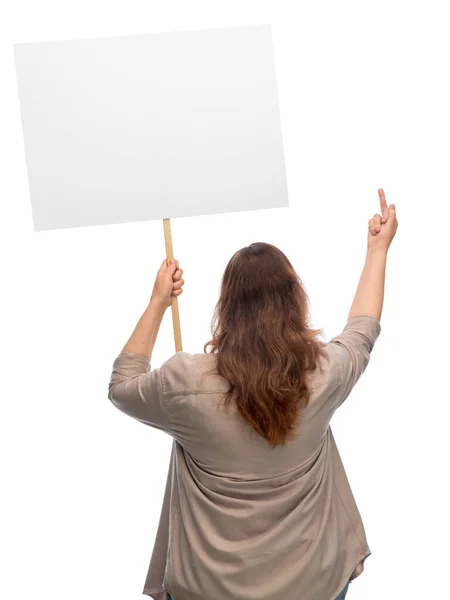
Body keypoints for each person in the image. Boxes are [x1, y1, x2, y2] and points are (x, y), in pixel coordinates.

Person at [108, 189, 398, 600]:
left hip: (210, 589)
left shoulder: (184, 383)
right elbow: (362, 330)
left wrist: (158, 302)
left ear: (226, 304)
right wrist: (377, 250)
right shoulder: (323, 374)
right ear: (294, 299)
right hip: (314, 583)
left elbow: (122, 384)